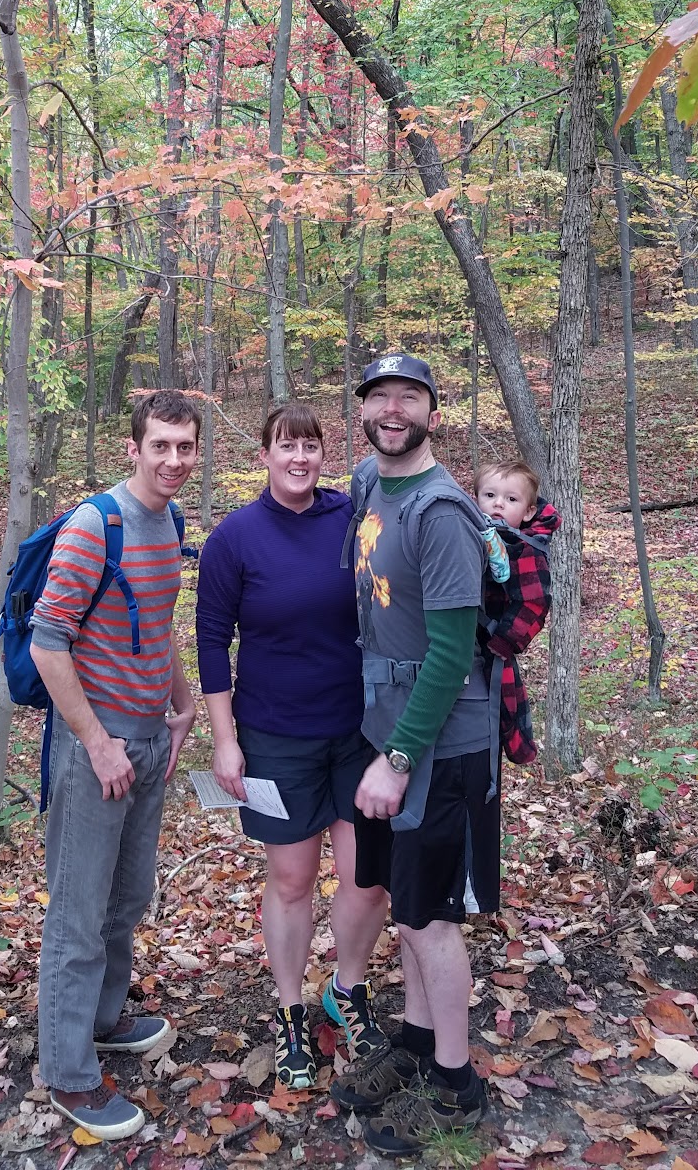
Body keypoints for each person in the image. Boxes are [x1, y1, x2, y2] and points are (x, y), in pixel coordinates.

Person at [197, 402, 389, 1088]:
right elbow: (211, 643)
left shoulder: (350, 519)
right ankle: (290, 1012)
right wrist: (225, 741)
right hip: (274, 736)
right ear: (266, 456)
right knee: (291, 879)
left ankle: (347, 990)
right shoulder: (234, 539)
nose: (299, 458)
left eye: (310, 446)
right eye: (287, 446)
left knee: (368, 876)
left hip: (358, 732)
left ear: (322, 455)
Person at [29, 389, 202, 1142]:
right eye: (160, 445)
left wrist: (181, 700)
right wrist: (98, 743)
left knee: (127, 896)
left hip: (150, 737)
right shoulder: (93, 526)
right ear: (133, 448)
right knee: (78, 911)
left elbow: (153, 624)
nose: (174, 459)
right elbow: (47, 641)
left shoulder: (171, 521)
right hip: (93, 745)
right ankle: (68, 1072)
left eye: (185, 446)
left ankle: (102, 1020)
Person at [331, 352, 491, 1157]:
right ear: (363, 410)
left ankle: (457, 1087)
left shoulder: (442, 512)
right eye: (380, 397)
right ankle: (420, 1044)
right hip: (386, 729)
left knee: (430, 920)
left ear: (433, 410)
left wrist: (395, 759)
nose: (393, 410)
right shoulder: (371, 482)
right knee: (408, 906)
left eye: (409, 397)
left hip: (439, 744)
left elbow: (452, 654)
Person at [474, 460, 559, 766]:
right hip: (468, 636)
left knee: (504, 700)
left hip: (496, 638)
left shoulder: (525, 547)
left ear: (528, 512)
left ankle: (519, 746)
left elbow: (535, 601)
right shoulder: (472, 533)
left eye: (511, 499)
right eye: (490, 495)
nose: (498, 504)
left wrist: (506, 639)